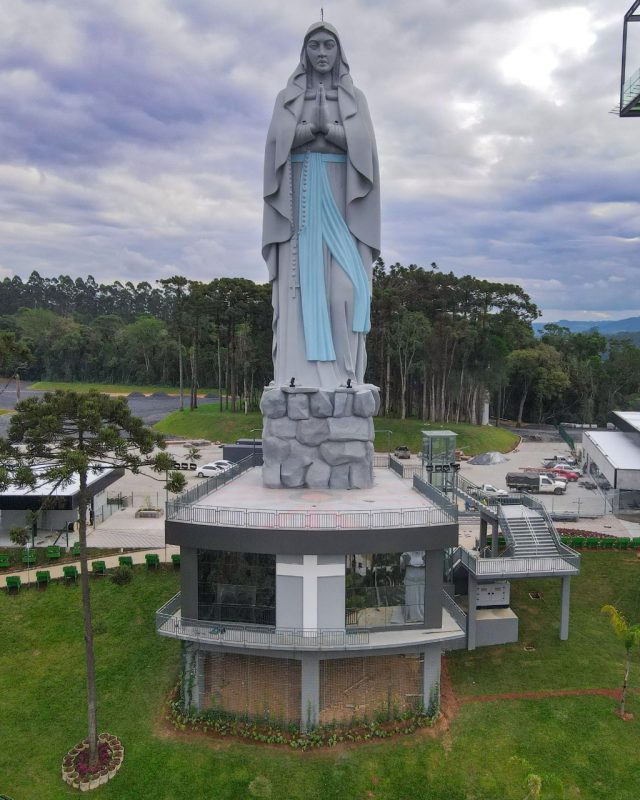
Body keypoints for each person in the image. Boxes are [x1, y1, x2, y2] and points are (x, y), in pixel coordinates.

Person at [262, 21, 380, 389]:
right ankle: (298, 375)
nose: (322, 53)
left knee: (348, 289)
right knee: (296, 291)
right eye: (315, 46)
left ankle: (346, 375)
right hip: (299, 198)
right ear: (305, 53)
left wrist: (327, 130)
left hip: (342, 200)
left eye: (329, 45)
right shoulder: (287, 97)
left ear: (339, 51)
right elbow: (276, 149)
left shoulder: (354, 98)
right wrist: (309, 130)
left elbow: (365, 153)